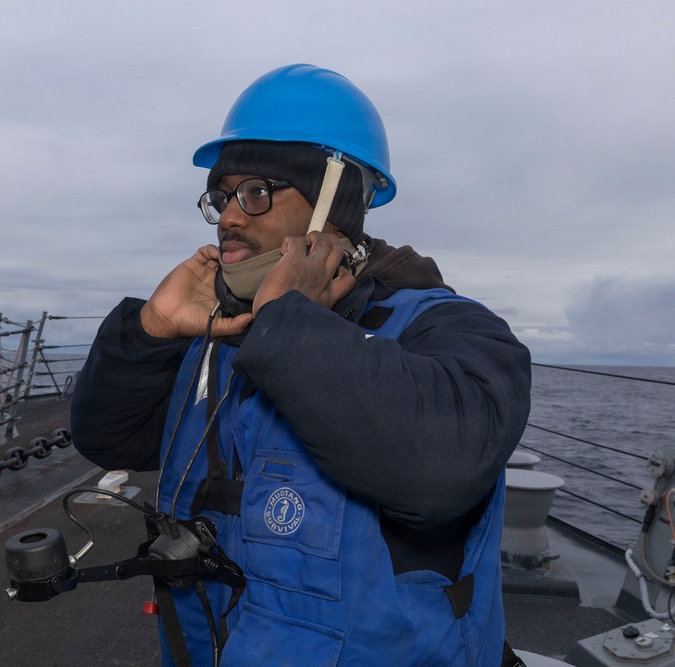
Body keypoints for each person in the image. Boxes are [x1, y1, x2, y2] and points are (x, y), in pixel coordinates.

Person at [71, 63, 531, 667]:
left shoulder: (446, 328)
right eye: (221, 196)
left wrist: (289, 320)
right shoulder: (223, 337)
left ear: (332, 208)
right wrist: (150, 332)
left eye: (257, 192)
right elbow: (109, 437)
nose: (231, 216)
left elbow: (443, 468)